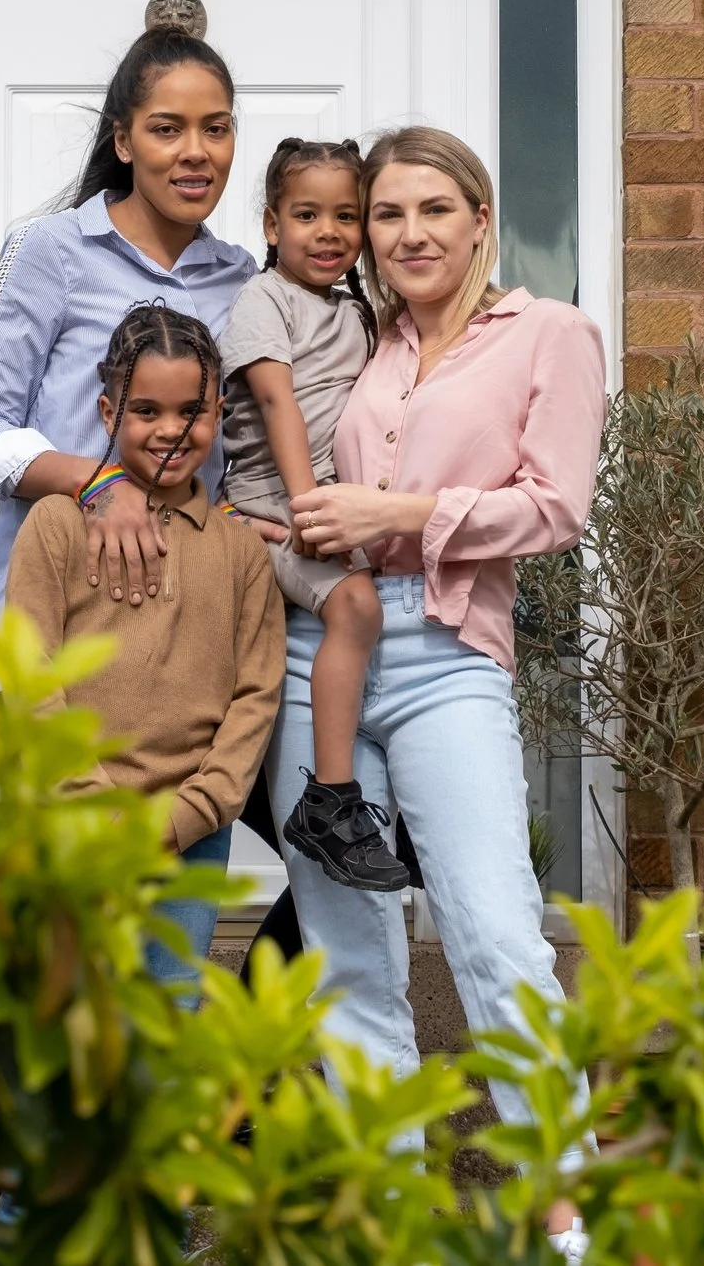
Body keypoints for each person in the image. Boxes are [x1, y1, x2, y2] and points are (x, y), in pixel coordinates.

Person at [279, 126, 607, 1261]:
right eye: (385, 214)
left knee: (494, 929)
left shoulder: (549, 334)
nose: (407, 232)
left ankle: (569, 1212)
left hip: (445, 649)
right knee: (348, 945)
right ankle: (385, 1211)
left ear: (479, 217)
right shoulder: (359, 341)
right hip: (313, 655)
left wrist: (402, 516)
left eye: (432, 208)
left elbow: (556, 507)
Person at [4, 306, 285, 995]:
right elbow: (27, 670)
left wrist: (191, 812)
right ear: (108, 411)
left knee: (166, 1013)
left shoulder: (240, 550)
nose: (170, 429)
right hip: (69, 818)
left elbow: (256, 693)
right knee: (64, 1012)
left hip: (187, 834)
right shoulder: (57, 525)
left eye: (192, 410)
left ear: (219, 410)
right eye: (146, 409)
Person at [0, 4, 255, 617]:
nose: (196, 152)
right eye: (167, 129)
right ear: (123, 140)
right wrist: (99, 483)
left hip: (186, 633)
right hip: (52, 617)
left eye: (215, 129)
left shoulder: (242, 279)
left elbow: (239, 450)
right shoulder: (51, 251)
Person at [216, 138, 404, 892]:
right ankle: (328, 802)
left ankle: (380, 814)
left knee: (367, 618)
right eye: (306, 214)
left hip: (324, 501)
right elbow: (275, 402)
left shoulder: (356, 311)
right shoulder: (265, 299)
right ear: (271, 225)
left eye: (346, 215)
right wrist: (305, 506)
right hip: (272, 505)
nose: (328, 231)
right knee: (355, 608)